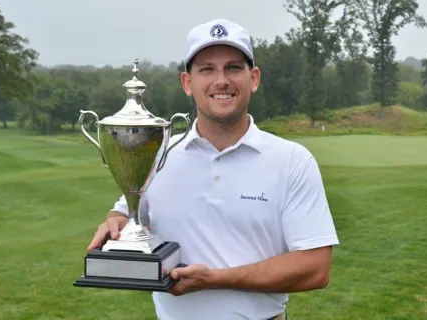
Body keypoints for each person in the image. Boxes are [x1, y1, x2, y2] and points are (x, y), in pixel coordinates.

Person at [87, 18, 340, 320]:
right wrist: (116, 219)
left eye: (233, 67)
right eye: (207, 69)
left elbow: (316, 269)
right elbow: (130, 211)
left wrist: (215, 278)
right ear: (187, 83)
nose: (221, 80)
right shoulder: (158, 154)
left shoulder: (292, 160)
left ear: (254, 78)